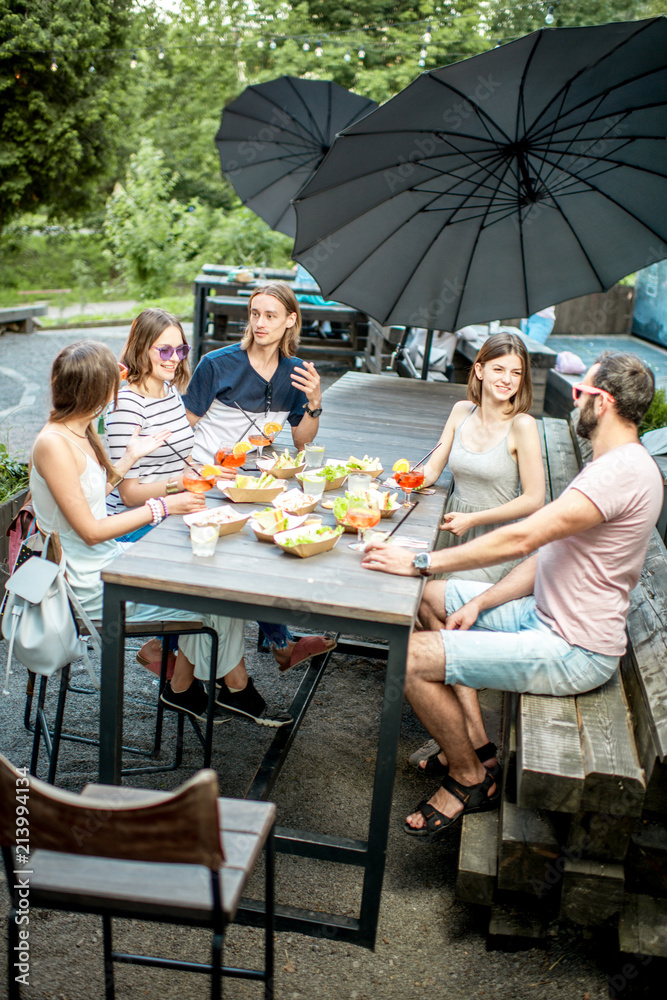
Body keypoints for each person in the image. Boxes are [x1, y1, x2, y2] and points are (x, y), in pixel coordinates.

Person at [361, 352, 663, 839]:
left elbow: (523, 538)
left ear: (602, 403)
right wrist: (481, 601)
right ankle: (471, 739)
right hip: (541, 613)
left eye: (580, 394)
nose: (574, 402)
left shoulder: (619, 473)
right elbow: (548, 554)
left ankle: (470, 776)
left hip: (574, 647)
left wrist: (421, 559)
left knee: (409, 658)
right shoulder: (614, 463)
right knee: (428, 600)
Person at [30, 340, 291, 728]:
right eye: (113, 376)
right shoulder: (53, 443)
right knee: (213, 599)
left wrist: (134, 459)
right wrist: (162, 507)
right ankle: (228, 689)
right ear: (97, 390)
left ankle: (189, 689)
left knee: (211, 585)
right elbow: (88, 530)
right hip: (88, 585)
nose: (121, 381)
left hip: (107, 564)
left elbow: (89, 495)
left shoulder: (79, 430)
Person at [407, 332, 546, 778]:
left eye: (516, 372)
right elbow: (434, 466)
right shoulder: (460, 411)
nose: (506, 379)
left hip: (498, 545)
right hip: (455, 538)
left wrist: (475, 518)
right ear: (480, 369)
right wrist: (407, 481)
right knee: (421, 610)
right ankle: (472, 738)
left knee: (431, 613)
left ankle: (469, 741)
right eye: (499, 368)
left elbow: (536, 500)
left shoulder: (522, 425)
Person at [182, 281, 337, 672]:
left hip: (253, 484)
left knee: (270, 551)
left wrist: (315, 405)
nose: (260, 322)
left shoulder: (297, 373)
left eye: (270, 315)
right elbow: (185, 428)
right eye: (255, 313)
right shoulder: (216, 364)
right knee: (241, 562)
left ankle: (278, 644)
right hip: (207, 480)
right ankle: (274, 647)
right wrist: (186, 479)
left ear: (290, 320)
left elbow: (302, 442)